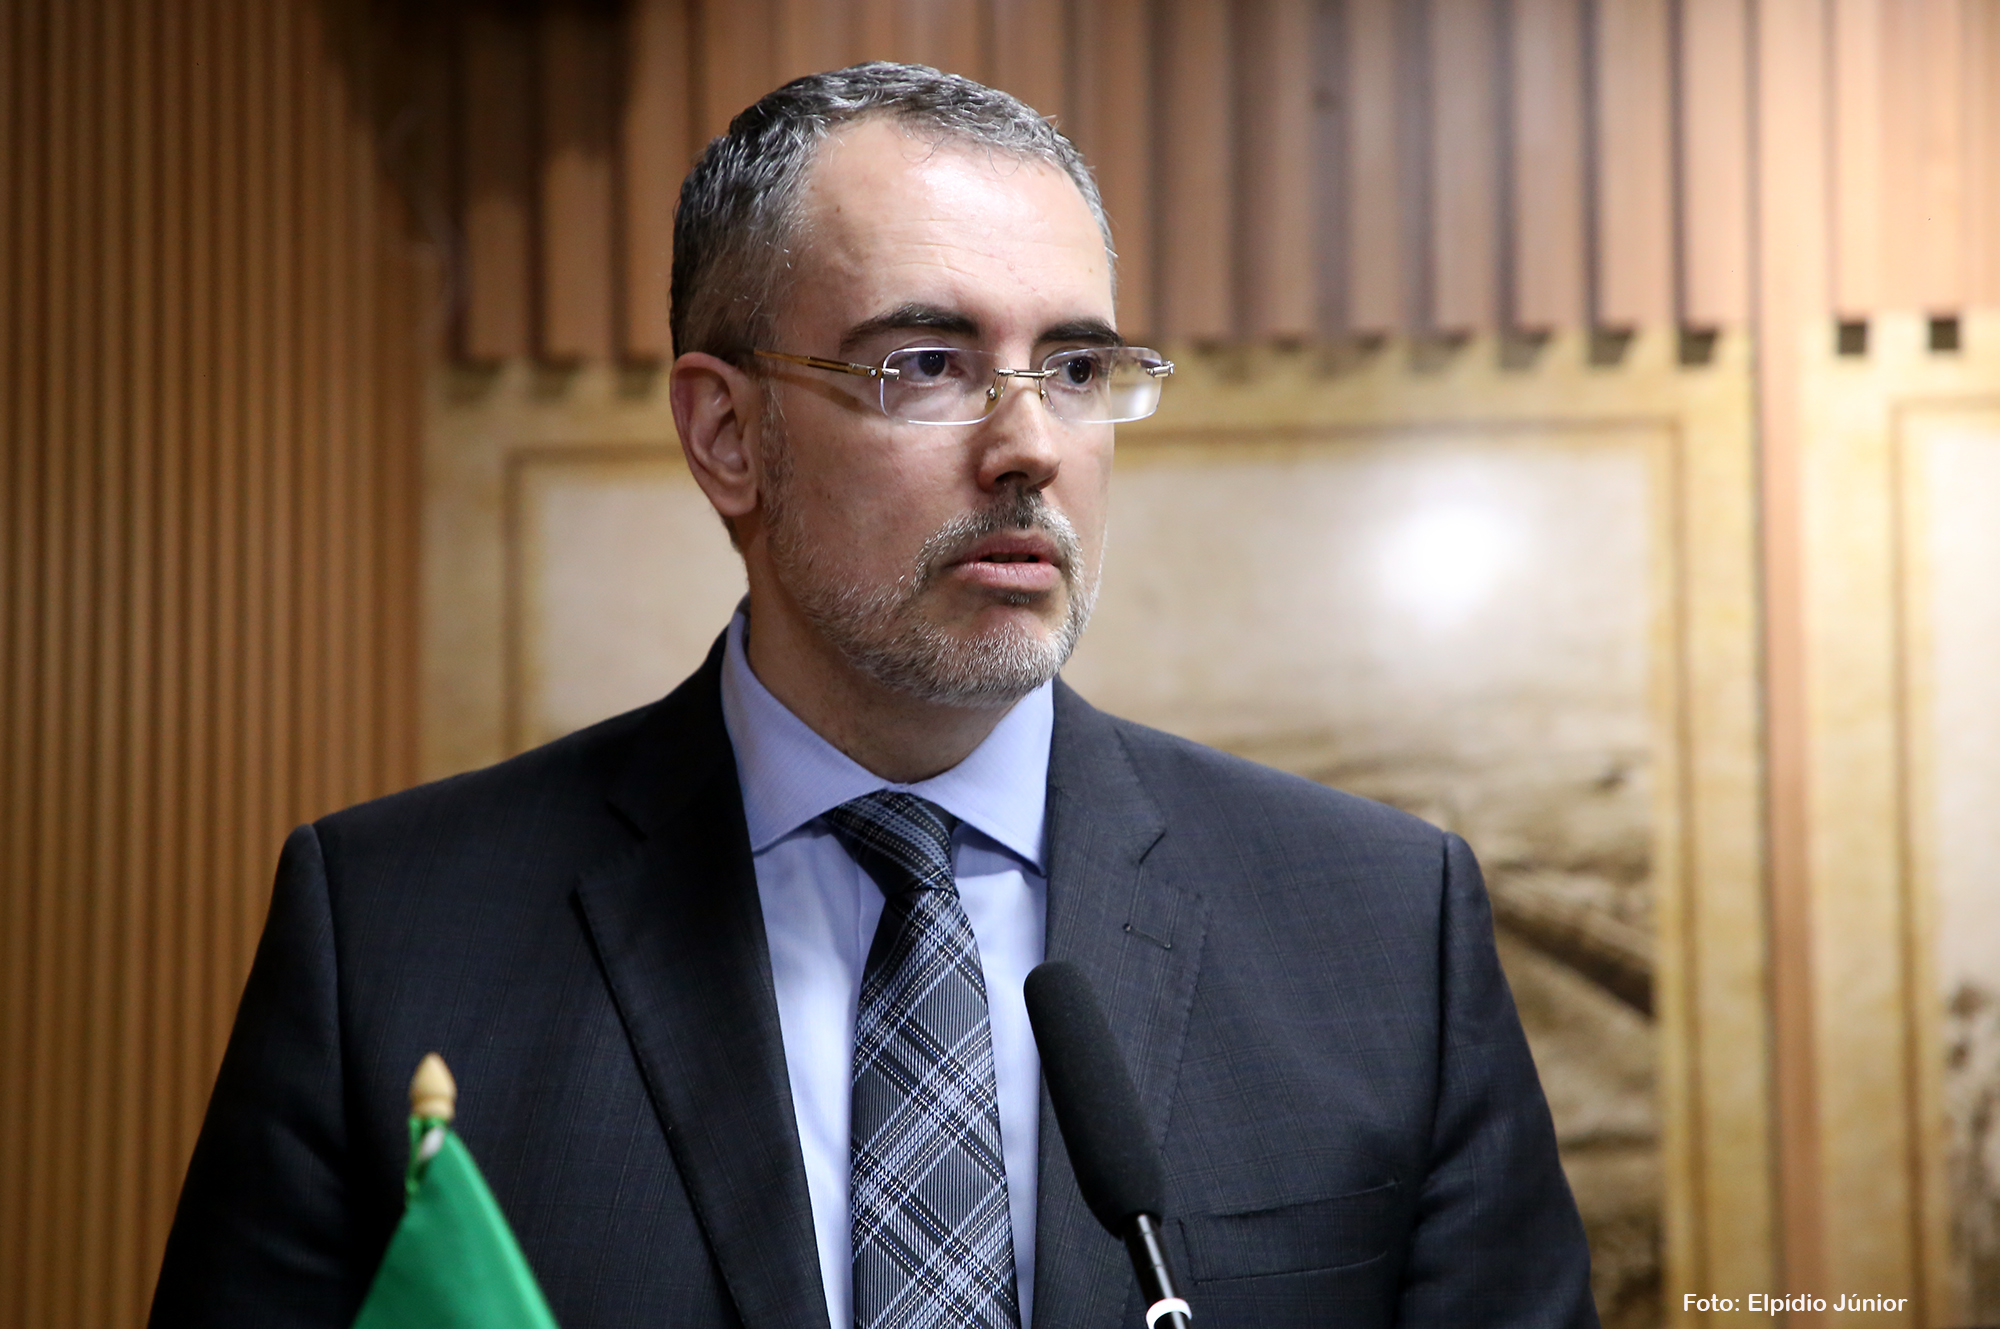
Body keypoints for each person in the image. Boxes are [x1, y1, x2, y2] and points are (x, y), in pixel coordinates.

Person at [151, 63, 1597, 1329]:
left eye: (1076, 366)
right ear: (728, 434)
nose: (1031, 446)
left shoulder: (1383, 931)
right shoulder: (392, 937)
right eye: (928, 364)